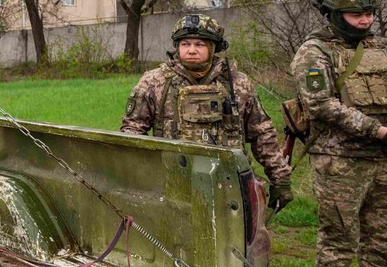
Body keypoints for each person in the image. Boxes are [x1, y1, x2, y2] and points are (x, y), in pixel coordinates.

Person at [121, 14, 293, 207]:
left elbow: (262, 132)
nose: (191, 50)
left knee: (244, 237)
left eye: (199, 45)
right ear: (177, 47)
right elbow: (132, 133)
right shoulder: (154, 82)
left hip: (231, 186)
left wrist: (281, 179)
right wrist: (139, 181)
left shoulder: (238, 84)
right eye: (185, 44)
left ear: (213, 47)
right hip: (175, 186)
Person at [291, 0, 387, 267]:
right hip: (339, 162)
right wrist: (375, 129)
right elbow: (319, 105)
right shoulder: (313, 52)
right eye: (356, 14)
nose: (364, 20)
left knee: (381, 236)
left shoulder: (380, 47)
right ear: (334, 14)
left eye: (369, 13)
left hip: (381, 160)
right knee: (339, 239)